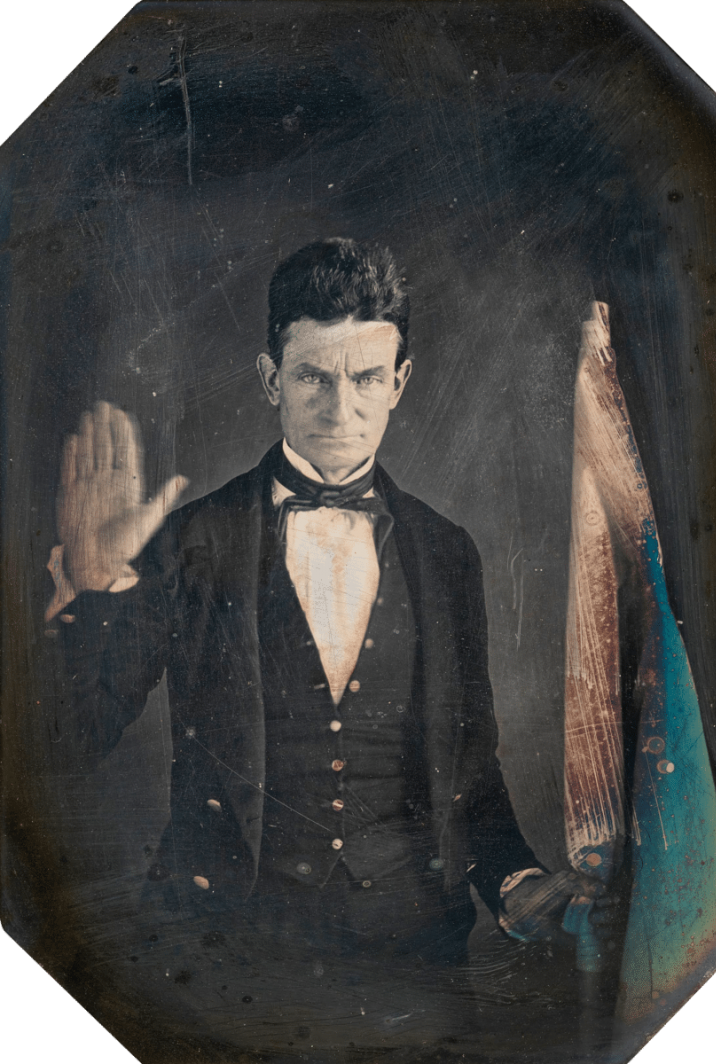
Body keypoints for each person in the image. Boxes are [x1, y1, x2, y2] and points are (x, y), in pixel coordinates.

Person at [47, 238, 600, 1043]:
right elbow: (68, 737)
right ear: (271, 378)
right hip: (227, 958)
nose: (341, 409)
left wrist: (514, 879)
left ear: (399, 383)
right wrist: (94, 586)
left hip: (419, 960)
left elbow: (470, 771)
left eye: (366, 378)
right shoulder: (191, 539)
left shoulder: (447, 551)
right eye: (313, 377)